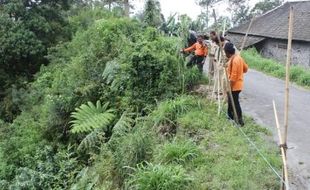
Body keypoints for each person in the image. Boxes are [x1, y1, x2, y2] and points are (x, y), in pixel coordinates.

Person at [224, 42, 248, 126]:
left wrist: (229, 87)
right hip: (238, 84)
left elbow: (233, 77)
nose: (225, 54)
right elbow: (245, 69)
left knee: (235, 103)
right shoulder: (238, 57)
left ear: (227, 52)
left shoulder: (235, 60)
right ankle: (230, 116)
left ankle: (240, 121)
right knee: (231, 101)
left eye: (225, 52)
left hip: (234, 86)